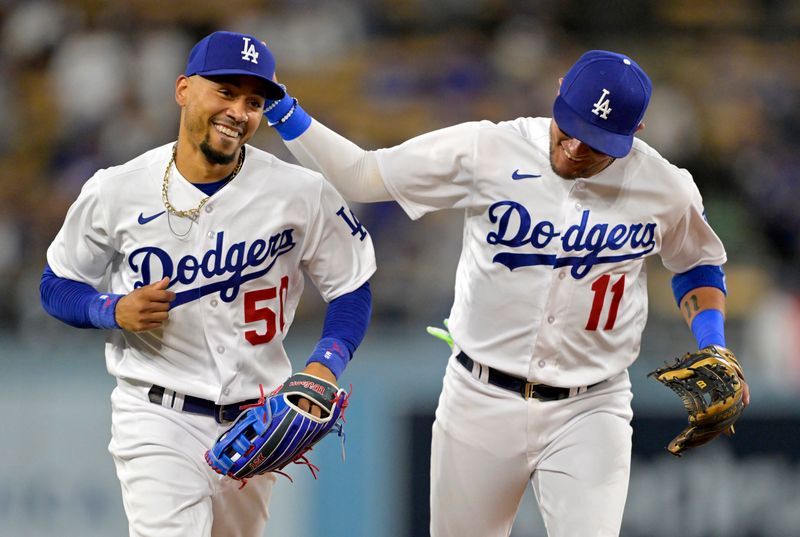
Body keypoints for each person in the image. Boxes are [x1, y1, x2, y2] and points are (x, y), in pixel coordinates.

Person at [262, 49, 750, 536]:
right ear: (559, 91)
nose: (576, 148)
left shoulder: (666, 188)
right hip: (480, 397)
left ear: (635, 135)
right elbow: (364, 175)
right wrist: (284, 110)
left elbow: (698, 263)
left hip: (591, 406)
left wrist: (713, 342)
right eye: (571, 127)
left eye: (597, 142)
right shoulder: (489, 149)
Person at [40, 31, 376, 537]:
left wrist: (326, 363)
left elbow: (353, 283)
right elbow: (56, 282)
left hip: (256, 422)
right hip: (157, 413)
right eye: (225, 91)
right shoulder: (118, 188)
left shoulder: (300, 190)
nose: (239, 111)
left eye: (254, 101)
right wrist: (110, 309)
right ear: (182, 90)